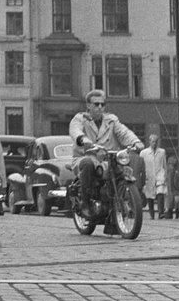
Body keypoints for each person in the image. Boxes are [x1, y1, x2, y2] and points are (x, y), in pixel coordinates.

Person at [68, 89, 143, 219]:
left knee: (123, 169)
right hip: (85, 156)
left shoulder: (111, 120)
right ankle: (86, 202)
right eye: (96, 104)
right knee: (88, 163)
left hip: (109, 158)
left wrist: (135, 141)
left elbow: (123, 132)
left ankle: (127, 199)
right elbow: (75, 131)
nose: (100, 107)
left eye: (102, 104)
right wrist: (83, 140)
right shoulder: (80, 118)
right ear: (88, 106)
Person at [140, 135, 168, 219]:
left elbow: (164, 165)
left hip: (159, 176)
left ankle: (160, 213)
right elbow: (142, 166)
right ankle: (151, 214)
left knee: (160, 194)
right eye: (153, 141)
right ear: (149, 142)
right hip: (149, 176)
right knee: (150, 197)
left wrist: (165, 175)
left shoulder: (162, 152)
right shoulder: (144, 153)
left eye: (156, 141)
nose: (154, 143)